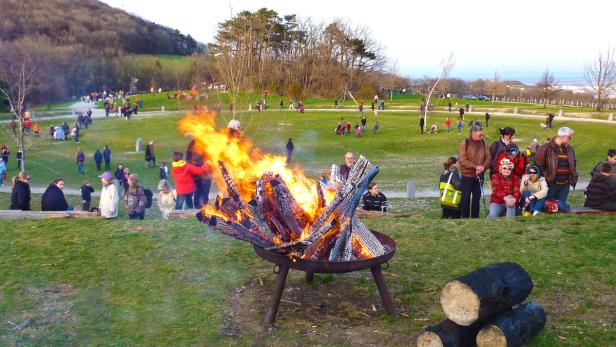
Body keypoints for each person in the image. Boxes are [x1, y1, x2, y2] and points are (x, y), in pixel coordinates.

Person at [535, 127, 578, 212]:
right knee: (548, 208)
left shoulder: (570, 149)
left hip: (565, 184)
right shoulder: (545, 148)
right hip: (550, 183)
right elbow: (538, 166)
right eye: (570, 137)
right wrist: (545, 178)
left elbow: (573, 165)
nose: (570, 139)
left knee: (560, 209)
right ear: (564, 136)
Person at [459, 124, 491, 218]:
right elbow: (462, 160)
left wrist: (483, 168)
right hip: (467, 175)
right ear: (473, 134)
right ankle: (464, 219)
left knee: (476, 198)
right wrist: (476, 167)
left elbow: (488, 158)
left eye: (481, 135)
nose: (481, 137)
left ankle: (475, 219)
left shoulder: (484, 143)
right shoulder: (465, 143)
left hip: (479, 175)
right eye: (479, 135)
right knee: (465, 198)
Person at [186, 141, 212, 208]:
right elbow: (188, 158)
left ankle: (203, 206)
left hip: (205, 170)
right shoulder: (193, 144)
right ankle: (199, 206)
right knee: (199, 189)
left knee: (204, 189)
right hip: (197, 170)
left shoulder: (206, 145)